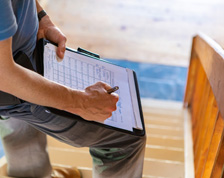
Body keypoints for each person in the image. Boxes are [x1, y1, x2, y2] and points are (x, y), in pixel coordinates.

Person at [0, 0, 146, 178]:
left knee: (17, 122)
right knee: (125, 139)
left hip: (26, 60)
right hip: (13, 80)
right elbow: (4, 75)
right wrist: (81, 102)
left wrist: (41, 17)